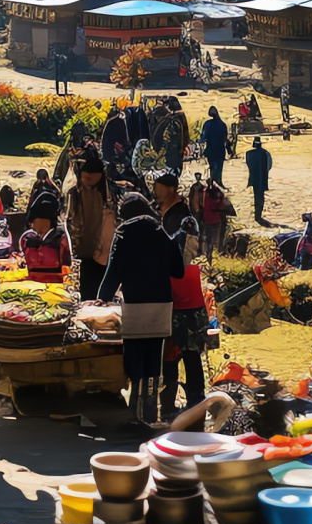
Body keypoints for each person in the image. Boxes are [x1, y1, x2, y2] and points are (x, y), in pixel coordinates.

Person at [98, 192, 185, 429]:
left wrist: (102, 297)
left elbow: (114, 270)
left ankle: (135, 406)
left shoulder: (124, 233)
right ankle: (150, 407)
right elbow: (178, 270)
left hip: (135, 303)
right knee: (154, 355)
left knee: (134, 352)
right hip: (160, 304)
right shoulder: (160, 232)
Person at [153, 171, 208, 423]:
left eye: (159, 186)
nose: (155, 190)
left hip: (187, 297)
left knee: (190, 355)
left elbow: (185, 256)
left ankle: (196, 406)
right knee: (169, 356)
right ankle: (168, 408)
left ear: (170, 188)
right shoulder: (161, 215)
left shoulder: (185, 220)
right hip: (170, 296)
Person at [64, 149, 118, 302]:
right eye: (85, 179)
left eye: (91, 180)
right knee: (87, 293)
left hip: (105, 249)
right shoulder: (74, 194)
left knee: (104, 293)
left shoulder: (110, 193)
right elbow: (70, 220)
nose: (87, 183)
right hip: (85, 249)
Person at [19, 191, 71, 283]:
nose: (31, 225)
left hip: (56, 287)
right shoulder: (28, 239)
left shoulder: (61, 240)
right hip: (32, 285)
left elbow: (67, 269)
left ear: (45, 221)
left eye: (34, 221)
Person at [200, 178, 232, 260]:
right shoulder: (216, 200)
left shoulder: (205, 196)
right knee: (215, 240)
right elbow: (223, 206)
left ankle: (209, 254)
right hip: (215, 221)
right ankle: (214, 255)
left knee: (209, 240)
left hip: (207, 220)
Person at [244, 136, 274, 224]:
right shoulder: (265, 153)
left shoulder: (249, 154)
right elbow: (269, 165)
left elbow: (248, 164)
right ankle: (258, 213)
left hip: (254, 177)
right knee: (260, 196)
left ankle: (257, 214)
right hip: (262, 177)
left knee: (256, 195)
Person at [200, 106, 229, 185]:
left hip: (211, 149)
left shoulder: (208, 124)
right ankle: (218, 182)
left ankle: (213, 183)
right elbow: (225, 138)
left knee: (212, 167)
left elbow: (203, 137)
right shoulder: (222, 124)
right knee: (219, 168)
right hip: (220, 149)